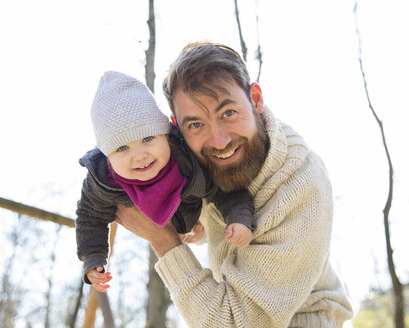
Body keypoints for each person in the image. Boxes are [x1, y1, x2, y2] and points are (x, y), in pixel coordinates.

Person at [114, 41, 354, 328]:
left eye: (228, 113)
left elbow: (237, 323)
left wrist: (163, 239)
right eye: (196, 125)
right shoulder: (194, 159)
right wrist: (196, 223)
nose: (219, 141)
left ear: (255, 99)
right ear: (177, 127)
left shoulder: (301, 185)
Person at [75, 71, 255, 292]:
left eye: (148, 138)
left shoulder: (187, 163)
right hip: (166, 232)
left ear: (166, 134)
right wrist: (93, 257)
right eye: (122, 148)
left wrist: (239, 218)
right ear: (107, 156)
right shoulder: (101, 181)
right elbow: (89, 217)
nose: (140, 155)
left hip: (193, 223)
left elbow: (225, 190)